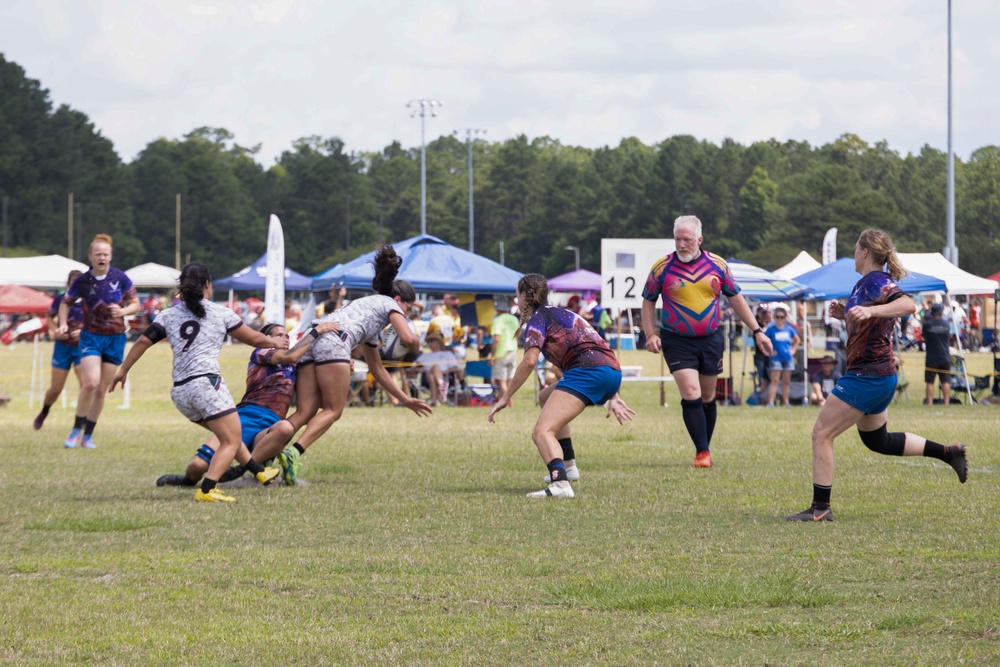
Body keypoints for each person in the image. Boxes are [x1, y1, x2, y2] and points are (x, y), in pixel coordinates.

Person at [786, 229, 967, 522]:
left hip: (867, 376)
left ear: (865, 252)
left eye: (856, 247)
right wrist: (845, 311)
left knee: (821, 434)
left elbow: (907, 305)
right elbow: (869, 318)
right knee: (877, 441)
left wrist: (870, 313)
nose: (854, 252)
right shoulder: (863, 284)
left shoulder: (878, 281)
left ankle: (821, 508)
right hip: (878, 375)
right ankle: (948, 453)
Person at [110, 262, 285, 502]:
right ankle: (207, 489)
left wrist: (124, 369)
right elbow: (255, 339)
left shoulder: (168, 314)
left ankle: (260, 473)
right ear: (207, 285)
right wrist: (275, 342)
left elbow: (142, 342)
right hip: (206, 385)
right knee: (232, 439)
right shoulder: (219, 312)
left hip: (181, 393)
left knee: (228, 435)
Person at [274, 245, 433, 480]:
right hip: (335, 341)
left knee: (305, 410)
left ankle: (264, 454)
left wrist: (405, 399)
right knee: (333, 410)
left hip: (312, 337)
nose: (407, 314)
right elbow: (409, 339)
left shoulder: (367, 309)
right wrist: (417, 343)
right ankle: (293, 453)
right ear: (398, 299)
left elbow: (377, 370)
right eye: (407, 308)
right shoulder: (389, 304)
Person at [640, 215, 773, 468]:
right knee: (691, 392)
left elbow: (736, 299)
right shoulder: (662, 267)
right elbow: (648, 301)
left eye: (687, 239)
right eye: (678, 239)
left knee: (708, 396)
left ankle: (705, 447)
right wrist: (651, 334)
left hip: (711, 339)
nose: (681, 244)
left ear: (699, 239)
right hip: (676, 339)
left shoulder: (718, 265)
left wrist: (757, 330)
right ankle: (702, 452)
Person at [488, 273, 634, 499]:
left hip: (590, 372)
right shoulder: (565, 313)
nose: (516, 299)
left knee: (541, 432)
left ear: (525, 295)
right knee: (546, 396)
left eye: (517, 295)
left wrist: (506, 396)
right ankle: (569, 465)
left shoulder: (537, 318)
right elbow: (597, 346)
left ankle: (560, 484)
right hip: (611, 371)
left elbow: (529, 361)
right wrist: (613, 393)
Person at [154, 320, 339, 488]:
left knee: (285, 428)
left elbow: (314, 393)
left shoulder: (295, 366)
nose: (285, 339)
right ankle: (188, 481)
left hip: (268, 429)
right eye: (279, 335)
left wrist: (339, 367)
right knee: (197, 466)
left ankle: (241, 471)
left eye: (287, 336)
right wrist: (317, 331)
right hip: (241, 420)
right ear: (267, 338)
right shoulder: (262, 352)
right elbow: (288, 357)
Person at [58, 234, 140, 449]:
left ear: (111, 256)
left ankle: (88, 435)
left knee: (102, 389)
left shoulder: (121, 278)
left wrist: (122, 310)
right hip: (91, 337)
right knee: (90, 383)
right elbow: (65, 302)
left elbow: (135, 304)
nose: (102, 257)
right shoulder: (82, 281)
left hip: (115, 338)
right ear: (90, 256)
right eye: (98, 254)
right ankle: (76, 429)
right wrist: (63, 323)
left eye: (105, 254)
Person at [33, 270, 84, 430]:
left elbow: (98, 322)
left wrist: (84, 332)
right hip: (62, 347)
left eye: (78, 281)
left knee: (86, 385)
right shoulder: (61, 300)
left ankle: (81, 421)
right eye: (72, 281)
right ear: (68, 283)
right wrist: (54, 330)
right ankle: (44, 411)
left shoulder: (89, 301)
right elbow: (49, 316)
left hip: (82, 348)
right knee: (56, 389)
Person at [765, 307, 802, 407]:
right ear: (774, 317)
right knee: (775, 381)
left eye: (782, 317)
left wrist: (793, 350)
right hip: (776, 358)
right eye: (777, 317)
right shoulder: (771, 330)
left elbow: (797, 340)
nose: (780, 319)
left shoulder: (789, 329)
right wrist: (768, 352)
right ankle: (771, 402)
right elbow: (763, 341)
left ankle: (786, 402)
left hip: (788, 358)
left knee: (786, 382)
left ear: (785, 318)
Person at [922, 302, 952, 406]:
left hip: (931, 357)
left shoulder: (927, 325)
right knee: (945, 381)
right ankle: (946, 402)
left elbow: (924, 337)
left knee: (930, 382)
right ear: (940, 312)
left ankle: (930, 403)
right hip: (944, 356)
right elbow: (949, 337)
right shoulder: (946, 324)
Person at [490, 307, 521, 402]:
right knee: (509, 380)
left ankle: (509, 403)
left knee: (502, 380)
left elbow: (496, 339)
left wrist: (493, 356)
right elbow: (518, 334)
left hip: (501, 353)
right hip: (512, 352)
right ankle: (509, 402)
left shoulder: (498, 320)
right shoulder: (514, 319)